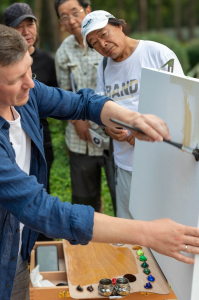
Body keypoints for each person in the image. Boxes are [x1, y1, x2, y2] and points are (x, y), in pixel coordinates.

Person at [0, 23, 199, 300]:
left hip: (15, 250)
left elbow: (82, 104)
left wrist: (132, 118)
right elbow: (39, 208)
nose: (30, 84)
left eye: (29, 70)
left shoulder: (24, 92)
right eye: (15, 79)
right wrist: (148, 233)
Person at [81, 10, 185, 219]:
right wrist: (106, 126)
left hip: (161, 162)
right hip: (125, 165)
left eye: (103, 34)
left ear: (118, 26)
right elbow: (102, 106)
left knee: (167, 225)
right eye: (94, 43)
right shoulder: (103, 67)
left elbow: (180, 104)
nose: (102, 44)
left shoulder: (157, 53)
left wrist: (138, 136)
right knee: (131, 233)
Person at [55, 0, 116, 213]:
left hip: (112, 135)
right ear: (61, 23)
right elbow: (65, 91)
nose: (71, 21)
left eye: (75, 12)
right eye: (64, 17)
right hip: (79, 138)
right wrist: (77, 120)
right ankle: (88, 245)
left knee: (120, 196)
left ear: (88, 10)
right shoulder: (63, 52)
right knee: (84, 202)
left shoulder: (105, 42)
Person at [4, 2, 57, 241]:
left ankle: (41, 246)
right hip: (10, 138)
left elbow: (56, 99)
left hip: (40, 138)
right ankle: (17, 244)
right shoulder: (2, 63)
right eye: (19, 26)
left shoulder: (47, 60)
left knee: (42, 194)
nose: (26, 31)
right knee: (15, 196)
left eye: (30, 24)